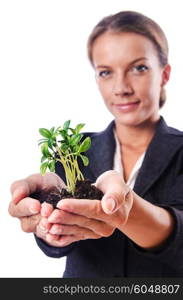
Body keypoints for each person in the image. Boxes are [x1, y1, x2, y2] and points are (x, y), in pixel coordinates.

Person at [9, 10, 183, 277]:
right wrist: (49, 227)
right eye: (106, 72)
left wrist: (128, 210)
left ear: (165, 74)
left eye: (139, 68)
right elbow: (58, 244)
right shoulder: (75, 150)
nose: (121, 87)